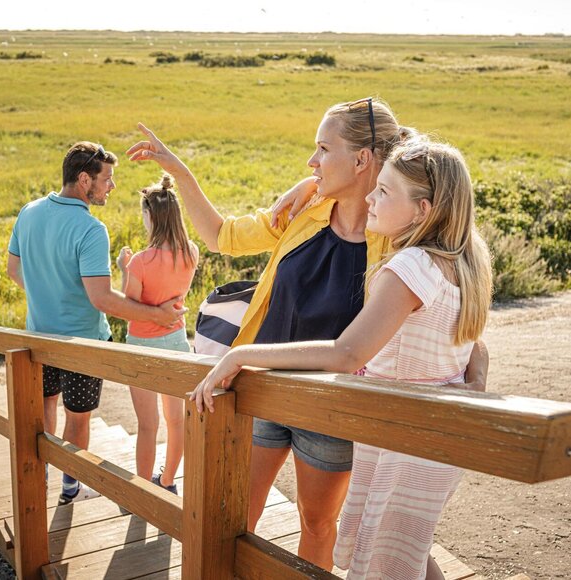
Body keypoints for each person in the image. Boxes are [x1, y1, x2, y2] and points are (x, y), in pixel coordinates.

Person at [126, 100, 488, 570]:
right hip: (259, 388)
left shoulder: (398, 241)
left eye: (322, 148)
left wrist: (473, 371)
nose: (311, 162)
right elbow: (219, 235)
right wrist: (179, 170)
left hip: (330, 410)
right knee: (231, 516)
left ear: (362, 160)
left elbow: (444, 307)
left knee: (318, 525)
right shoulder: (307, 209)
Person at [7, 142, 185, 505]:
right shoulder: (91, 229)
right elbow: (103, 299)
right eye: (107, 179)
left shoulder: (28, 212)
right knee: (78, 417)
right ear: (84, 179)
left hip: (37, 336)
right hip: (83, 344)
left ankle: (37, 480)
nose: (111, 187)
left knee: (44, 409)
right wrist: (159, 315)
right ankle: (70, 488)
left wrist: (48, 290)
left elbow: (14, 270)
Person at [116, 173, 199, 495]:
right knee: (176, 421)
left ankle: (141, 490)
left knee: (148, 424)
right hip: (177, 341)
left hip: (142, 346)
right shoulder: (190, 252)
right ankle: (167, 482)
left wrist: (125, 270)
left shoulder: (140, 261)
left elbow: (130, 305)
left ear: (150, 216)